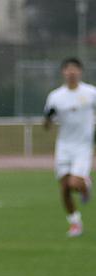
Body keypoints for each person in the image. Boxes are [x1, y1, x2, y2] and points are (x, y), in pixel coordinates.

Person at [44, 57, 96, 238]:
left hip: (83, 145)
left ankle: (85, 185)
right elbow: (47, 125)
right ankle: (75, 222)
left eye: (75, 69)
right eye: (68, 69)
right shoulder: (55, 96)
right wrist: (49, 117)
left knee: (74, 183)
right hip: (64, 146)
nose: (71, 72)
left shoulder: (91, 93)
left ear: (80, 71)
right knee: (65, 188)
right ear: (63, 72)